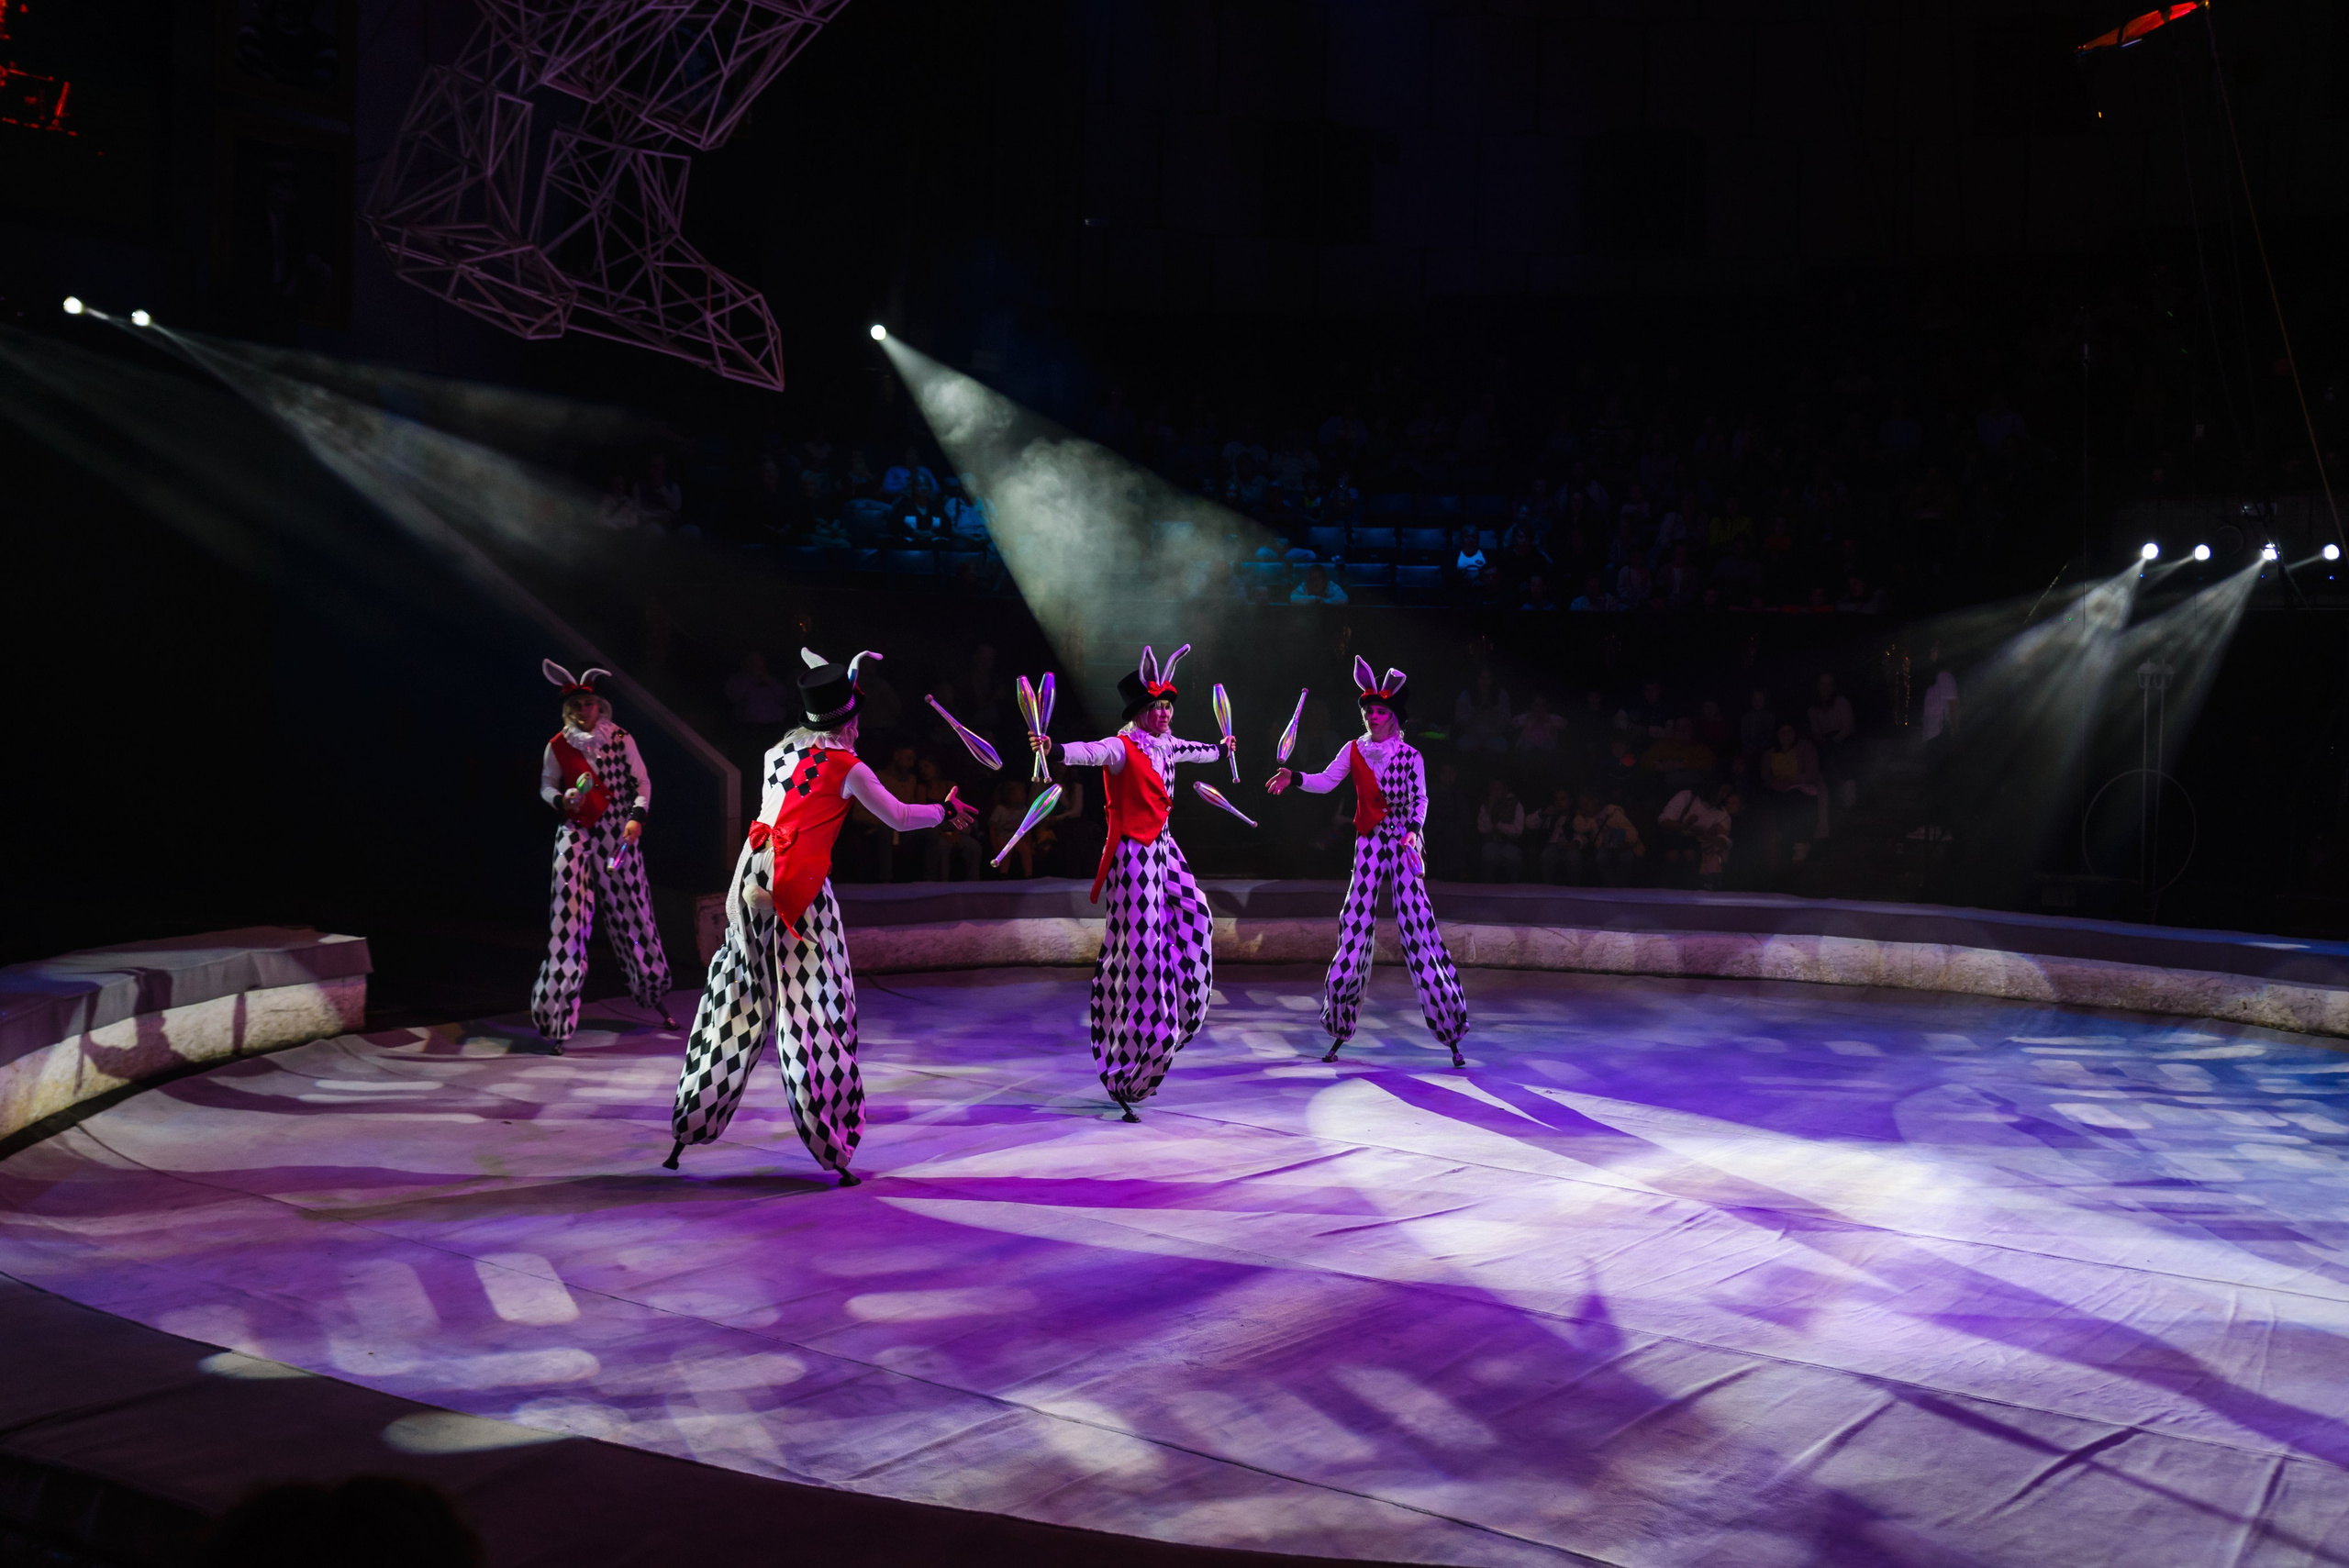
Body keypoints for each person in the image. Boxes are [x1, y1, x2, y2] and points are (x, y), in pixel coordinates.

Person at [667, 649, 974, 1184]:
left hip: (747, 882)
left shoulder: (777, 753)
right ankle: (832, 1145)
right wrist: (945, 812)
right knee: (815, 1013)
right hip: (797, 893)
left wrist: (841, 703)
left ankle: (689, 1125)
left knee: (735, 1002)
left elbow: (811, 762)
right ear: (852, 721)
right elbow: (900, 816)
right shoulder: (848, 767)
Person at [1030, 645, 1232, 1120]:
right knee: (1140, 954)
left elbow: (1199, 751)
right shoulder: (1124, 746)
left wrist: (1223, 750)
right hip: (1132, 856)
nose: (1163, 713)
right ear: (1139, 713)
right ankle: (1130, 1061)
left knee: (1197, 918)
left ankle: (1177, 1020)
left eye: (1168, 706)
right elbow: (1090, 752)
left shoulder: (1168, 744)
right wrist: (1055, 749)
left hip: (1163, 848)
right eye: (1156, 707)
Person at [1266, 659, 1468, 1067]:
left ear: (1394, 717)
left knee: (1418, 926)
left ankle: (1449, 1027)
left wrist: (1413, 830)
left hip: (1404, 840)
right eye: (1368, 712)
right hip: (1368, 842)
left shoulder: (1411, 756)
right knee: (1354, 924)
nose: (1373, 717)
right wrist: (1296, 778)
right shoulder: (1354, 750)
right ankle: (1339, 1024)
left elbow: (1422, 799)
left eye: (1380, 712)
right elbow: (1326, 780)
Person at [529, 662, 674, 1051]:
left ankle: (650, 989)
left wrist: (636, 819)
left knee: (633, 911)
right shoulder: (558, 744)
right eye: (577, 706)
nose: (584, 711)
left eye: (589, 704)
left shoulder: (620, 738)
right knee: (568, 922)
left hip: (616, 832)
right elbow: (545, 785)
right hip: (575, 829)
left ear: (600, 707)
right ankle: (556, 1016)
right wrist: (562, 799)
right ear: (569, 710)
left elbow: (641, 783)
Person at [1809, 672, 1858, 814]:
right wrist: (1825, 742)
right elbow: (1816, 732)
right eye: (1823, 684)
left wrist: (1834, 741)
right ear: (1818, 686)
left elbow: (1847, 727)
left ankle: (1849, 796)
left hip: (1845, 737)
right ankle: (1834, 797)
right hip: (1826, 741)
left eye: (1829, 684)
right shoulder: (1813, 709)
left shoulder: (1842, 702)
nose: (1826, 687)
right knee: (1824, 758)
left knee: (1843, 754)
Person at [1477, 776, 1525, 881]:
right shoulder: (1485, 806)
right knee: (1488, 855)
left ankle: (1514, 891)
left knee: (1513, 857)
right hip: (1491, 843)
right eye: (1492, 790)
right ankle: (1486, 890)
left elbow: (1518, 830)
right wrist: (1489, 810)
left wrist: (1498, 825)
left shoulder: (1516, 804)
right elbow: (1483, 829)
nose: (1494, 792)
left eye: (1497, 789)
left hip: (1511, 843)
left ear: (1505, 789)